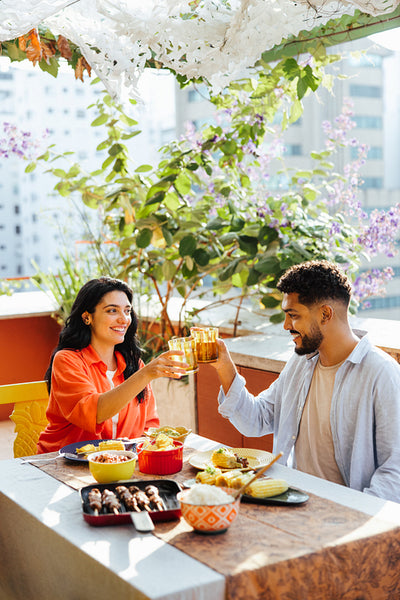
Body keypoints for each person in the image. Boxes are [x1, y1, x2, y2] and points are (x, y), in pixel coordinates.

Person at [211, 260, 400, 502]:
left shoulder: (382, 374)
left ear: (325, 314)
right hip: (292, 500)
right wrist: (224, 367)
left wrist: (353, 515)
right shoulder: (300, 363)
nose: (286, 325)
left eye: (293, 315)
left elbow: (394, 471)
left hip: (343, 515)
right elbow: (256, 420)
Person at [37, 276, 187, 453]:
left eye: (127, 310)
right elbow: (97, 412)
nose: (124, 319)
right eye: (112, 311)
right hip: (62, 465)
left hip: (118, 465)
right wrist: (146, 374)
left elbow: (149, 426)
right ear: (87, 317)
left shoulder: (134, 365)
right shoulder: (67, 360)